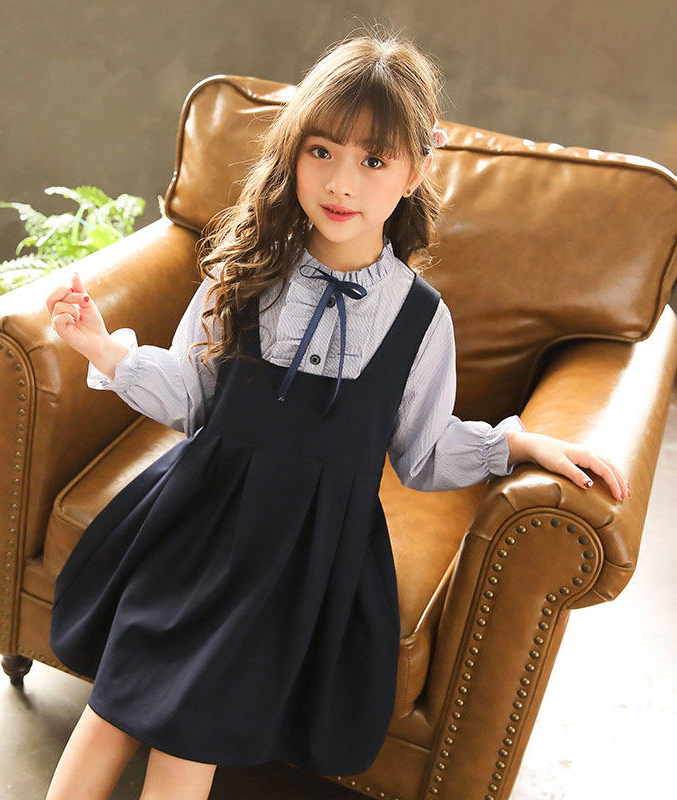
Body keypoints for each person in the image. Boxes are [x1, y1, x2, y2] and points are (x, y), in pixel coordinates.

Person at [43, 28, 630, 800]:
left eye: (373, 160)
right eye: (321, 151)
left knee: (189, 735)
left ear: (418, 168)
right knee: (112, 708)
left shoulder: (420, 319)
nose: (341, 182)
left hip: (302, 555)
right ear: (294, 152)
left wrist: (515, 445)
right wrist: (103, 348)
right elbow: (191, 398)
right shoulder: (246, 271)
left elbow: (423, 453)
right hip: (197, 524)